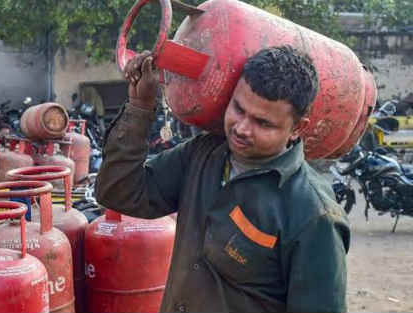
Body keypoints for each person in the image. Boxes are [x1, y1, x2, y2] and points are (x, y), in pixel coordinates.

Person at [95, 45, 350, 313]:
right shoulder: (204, 155)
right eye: (238, 109)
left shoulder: (313, 216)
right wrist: (140, 107)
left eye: (263, 123)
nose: (241, 128)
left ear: (298, 128)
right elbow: (118, 193)